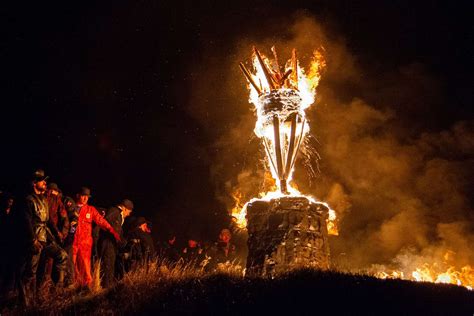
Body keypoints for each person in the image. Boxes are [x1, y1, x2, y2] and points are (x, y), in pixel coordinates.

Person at [19, 170, 68, 305]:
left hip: (45, 238)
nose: (45, 183)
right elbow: (27, 221)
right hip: (35, 240)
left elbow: (49, 221)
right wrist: (32, 240)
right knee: (30, 272)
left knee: (62, 255)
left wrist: (57, 232)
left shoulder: (44, 200)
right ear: (35, 183)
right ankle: (26, 303)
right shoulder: (28, 200)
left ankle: (58, 291)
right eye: (42, 181)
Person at [72, 187, 120, 288]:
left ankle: (87, 287)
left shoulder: (90, 209)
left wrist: (111, 230)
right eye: (83, 196)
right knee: (71, 264)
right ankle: (74, 286)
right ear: (78, 196)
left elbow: (100, 221)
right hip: (72, 241)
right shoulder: (71, 207)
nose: (85, 198)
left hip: (85, 243)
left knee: (85, 266)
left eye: (87, 197)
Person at [98, 199, 133, 288]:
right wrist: (116, 235)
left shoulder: (119, 215)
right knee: (107, 262)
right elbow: (107, 222)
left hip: (112, 242)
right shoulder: (114, 211)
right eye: (129, 211)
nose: (129, 214)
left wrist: (123, 242)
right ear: (125, 208)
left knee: (111, 262)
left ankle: (108, 284)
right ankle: (105, 285)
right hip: (108, 241)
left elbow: (118, 231)